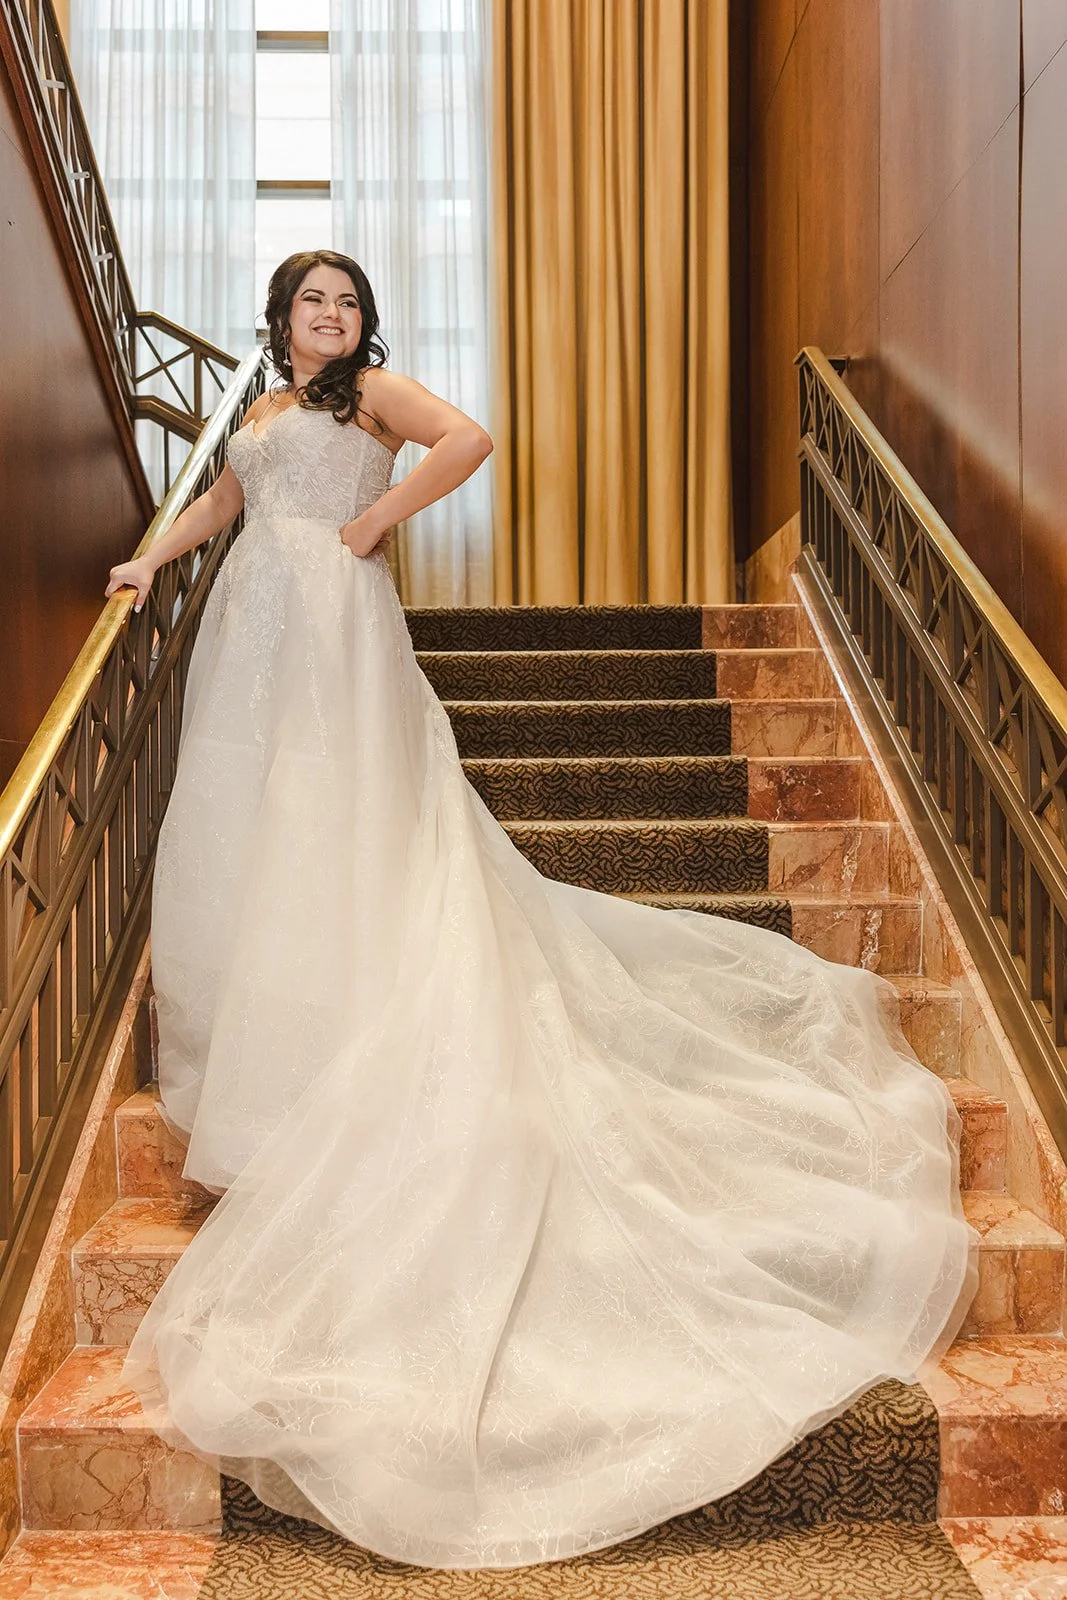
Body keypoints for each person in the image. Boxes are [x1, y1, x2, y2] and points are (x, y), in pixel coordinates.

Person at [105, 248, 979, 1572]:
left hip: (335, 616)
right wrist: (141, 559)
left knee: (348, 811)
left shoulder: (371, 401)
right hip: (251, 624)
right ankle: (274, 1056)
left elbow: (472, 437)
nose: (329, 318)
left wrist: (370, 525)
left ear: (359, 323)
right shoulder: (270, 413)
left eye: (345, 302)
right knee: (253, 814)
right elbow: (224, 499)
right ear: (280, 319)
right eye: (310, 302)